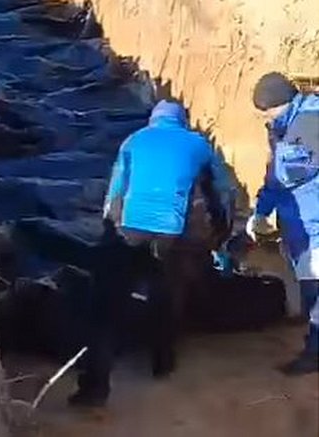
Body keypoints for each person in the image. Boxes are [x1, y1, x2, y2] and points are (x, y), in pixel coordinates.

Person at [69, 100, 234, 407]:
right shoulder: (198, 144)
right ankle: (162, 362)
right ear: (181, 121)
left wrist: (111, 233)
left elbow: (115, 192)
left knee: (107, 306)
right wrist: (222, 234)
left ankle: (95, 388)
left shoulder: (134, 140)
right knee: (167, 293)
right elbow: (222, 191)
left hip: (129, 228)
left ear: (153, 120)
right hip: (169, 231)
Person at [246, 72, 319, 375]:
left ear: (281, 102)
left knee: (315, 290)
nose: (266, 116)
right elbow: (273, 178)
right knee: (310, 288)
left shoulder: (310, 120)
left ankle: (314, 354)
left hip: (315, 224)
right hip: (300, 223)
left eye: (268, 109)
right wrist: (261, 211)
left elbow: (290, 172)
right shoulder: (286, 124)